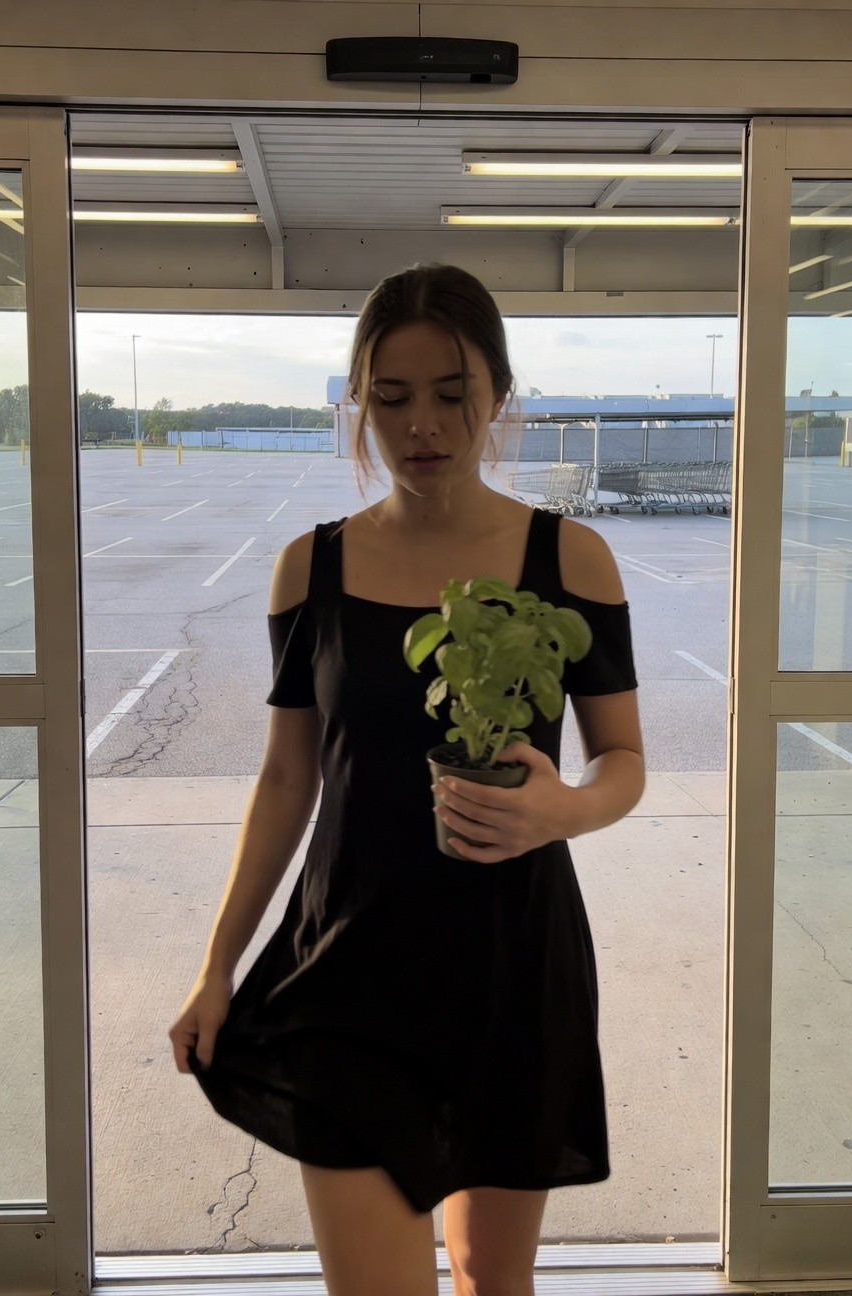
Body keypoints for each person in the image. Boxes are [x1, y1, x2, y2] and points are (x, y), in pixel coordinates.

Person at [169, 263, 645, 1296]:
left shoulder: (573, 562)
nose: (421, 425)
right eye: (391, 398)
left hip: (510, 965)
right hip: (348, 965)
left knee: (490, 1280)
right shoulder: (313, 568)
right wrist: (218, 962)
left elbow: (625, 761)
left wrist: (565, 809)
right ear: (360, 407)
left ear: (498, 402)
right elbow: (288, 778)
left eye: (452, 395)